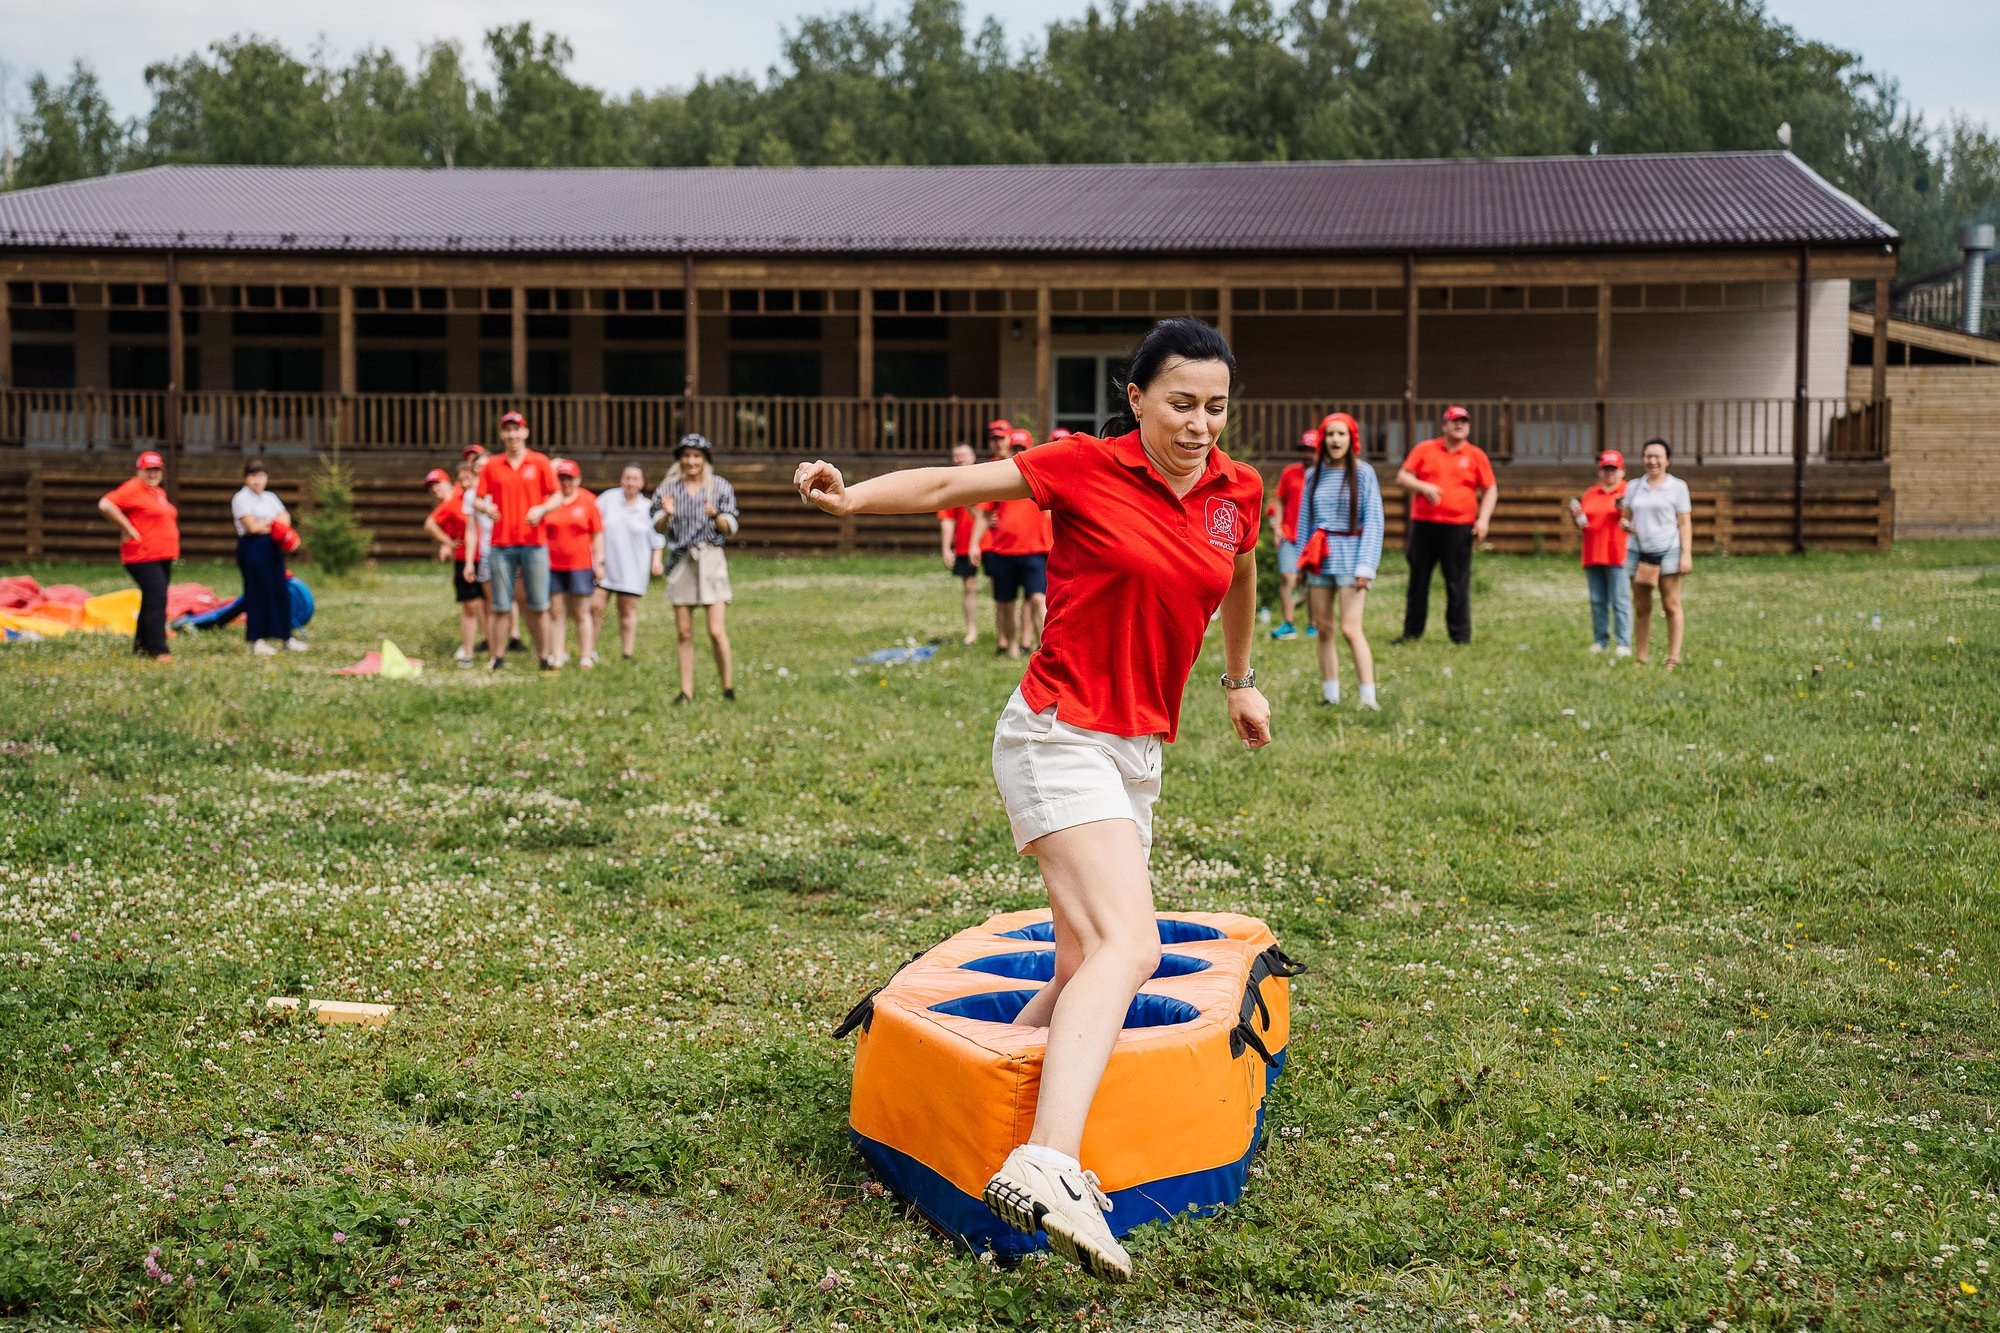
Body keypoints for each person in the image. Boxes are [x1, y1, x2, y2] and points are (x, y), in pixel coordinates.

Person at [793, 317, 1271, 1283]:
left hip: (1137, 747)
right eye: (1181, 402)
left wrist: (1240, 679)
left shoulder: (1237, 491)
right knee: (1131, 947)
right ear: (1136, 397)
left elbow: (1242, 574)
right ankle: (1048, 1163)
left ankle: (964, 1122)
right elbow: (945, 486)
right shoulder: (1084, 465)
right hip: (1058, 732)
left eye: (1216, 405)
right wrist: (851, 499)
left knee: (1081, 961)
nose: (1200, 423)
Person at [1298, 413, 1384, 708]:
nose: (1336, 440)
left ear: (1352, 439)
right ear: (1323, 439)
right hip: (1321, 558)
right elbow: (1305, 521)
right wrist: (1301, 561)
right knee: (1324, 627)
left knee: (1350, 628)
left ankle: (1368, 697)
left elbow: (1374, 521)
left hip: (1352, 556)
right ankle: (1330, 695)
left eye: (1341, 434)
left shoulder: (1363, 473)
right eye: (1331, 434)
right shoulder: (1313, 475)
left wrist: (1366, 566)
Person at [1393, 404, 1497, 644]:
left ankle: (1459, 635)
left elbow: (1490, 489)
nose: (1459, 425)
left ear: (1468, 427)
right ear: (1444, 425)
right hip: (1424, 525)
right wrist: (1424, 487)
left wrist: (1483, 520)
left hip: (1458, 526)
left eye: (1463, 421)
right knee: (1418, 580)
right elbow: (1402, 477)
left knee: (1457, 581)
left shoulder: (1475, 455)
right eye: (1454, 421)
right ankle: (1412, 632)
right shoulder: (1425, 449)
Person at [471, 412, 560, 671]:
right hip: (501, 544)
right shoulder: (493, 465)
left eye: (516, 429)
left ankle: (544, 658)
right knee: (500, 604)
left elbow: (555, 497)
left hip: (535, 543)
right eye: (507, 430)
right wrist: (486, 509)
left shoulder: (539, 462)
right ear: (501, 434)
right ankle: (497, 657)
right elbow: (477, 499)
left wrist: (541, 509)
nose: (512, 435)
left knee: (538, 603)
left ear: (525, 432)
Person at [655, 434, 740, 703]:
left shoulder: (719, 487)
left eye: (697, 456)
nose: (691, 461)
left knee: (716, 631)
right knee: (684, 632)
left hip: (710, 557)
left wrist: (716, 516)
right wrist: (667, 513)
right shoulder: (668, 488)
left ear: (705, 460)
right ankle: (686, 691)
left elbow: (731, 527)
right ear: (680, 459)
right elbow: (656, 526)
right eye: (687, 456)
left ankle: (727, 688)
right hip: (682, 560)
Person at [972, 428, 1054, 659]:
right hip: (1003, 550)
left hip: (1036, 550)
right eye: (1015, 448)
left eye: (1023, 448)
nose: (1018, 452)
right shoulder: (1001, 479)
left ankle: (1044, 647)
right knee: (1006, 603)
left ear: (1031, 449)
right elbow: (984, 513)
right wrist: (974, 544)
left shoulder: (1043, 475)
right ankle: (1012, 648)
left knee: (1038, 599)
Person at [97, 450, 180, 662]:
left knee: (151, 600)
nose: (152, 474)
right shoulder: (133, 488)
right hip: (142, 556)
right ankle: (159, 650)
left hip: (161, 555)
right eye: (148, 470)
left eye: (156, 469)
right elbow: (105, 504)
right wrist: (126, 526)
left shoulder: (158, 493)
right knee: (157, 600)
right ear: (139, 471)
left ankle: (142, 646)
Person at [1621, 438, 1693, 668]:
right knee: (1642, 607)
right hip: (1638, 552)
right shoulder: (1633, 486)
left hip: (1668, 551)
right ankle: (1641, 657)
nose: (1652, 461)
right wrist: (1625, 524)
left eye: (1657, 457)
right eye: (1648, 456)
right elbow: (1626, 515)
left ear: (1667, 460)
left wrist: (1686, 554)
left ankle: (1673, 657)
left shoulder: (1678, 487)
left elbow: (1684, 523)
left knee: (1671, 605)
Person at [230, 459, 304, 656]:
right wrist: (273, 524)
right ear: (246, 478)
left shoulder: (270, 497)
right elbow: (252, 527)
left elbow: (285, 518)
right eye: (253, 476)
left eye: (261, 476)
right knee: (256, 592)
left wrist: (270, 524)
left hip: (272, 548)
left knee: (279, 590)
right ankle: (257, 640)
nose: (257, 481)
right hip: (253, 547)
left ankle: (285, 637)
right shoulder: (241, 498)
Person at [594, 464, 666, 661]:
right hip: (605, 564)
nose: (630, 482)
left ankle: (627, 652)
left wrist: (656, 562)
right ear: (621, 480)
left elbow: (657, 539)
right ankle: (589, 650)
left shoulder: (648, 507)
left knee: (626, 610)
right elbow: (593, 526)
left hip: (632, 567)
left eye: (635, 479)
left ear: (642, 483)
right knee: (596, 606)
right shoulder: (607, 500)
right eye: (627, 478)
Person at [543, 458, 606, 669]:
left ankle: (586, 654)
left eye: (570, 478)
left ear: (577, 479)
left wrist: (600, 562)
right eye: (562, 478)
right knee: (556, 610)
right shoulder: (550, 500)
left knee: (581, 610)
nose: (566, 483)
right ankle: (558, 654)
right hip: (553, 564)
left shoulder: (588, 501)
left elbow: (597, 534)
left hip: (580, 564)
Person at [1571, 451, 1632, 657]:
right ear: (1600, 472)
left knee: (1620, 599)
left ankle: (1623, 642)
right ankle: (1601, 641)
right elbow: (1583, 522)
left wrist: (1624, 509)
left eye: (1613, 469)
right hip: (1593, 553)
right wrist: (1576, 517)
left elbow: (1633, 517)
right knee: (1597, 600)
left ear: (1622, 471)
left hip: (1617, 554)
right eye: (1606, 469)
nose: (1610, 473)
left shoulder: (1628, 492)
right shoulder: (1591, 493)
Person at [423, 466, 484, 668]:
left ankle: (494, 645)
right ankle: (468, 649)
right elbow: (430, 524)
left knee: (489, 605)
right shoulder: (448, 505)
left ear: (448, 482)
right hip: (464, 558)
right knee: (471, 604)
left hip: (484, 554)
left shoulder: (462, 491)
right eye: (431, 488)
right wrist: (447, 543)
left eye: (438, 484)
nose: (435, 490)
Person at [1266, 428, 1319, 640]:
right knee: (1288, 576)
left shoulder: (1326, 475)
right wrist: (1278, 528)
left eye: (1312, 450)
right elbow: (1279, 501)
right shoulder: (1290, 472)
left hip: (1315, 537)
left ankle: (1314, 624)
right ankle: (1288, 624)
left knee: (1313, 581)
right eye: (1304, 450)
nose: (1307, 454)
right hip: (1290, 534)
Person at [937, 441, 984, 645]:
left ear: (973, 457)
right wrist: (946, 548)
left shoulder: (987, 478)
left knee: (1003, 590)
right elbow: (947, 520)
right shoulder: (951, 487)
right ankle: (971, 630)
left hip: (992, 543)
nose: (960, 459)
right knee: (968, 586)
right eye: (956, 456)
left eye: (963, 455)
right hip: (964, 543)